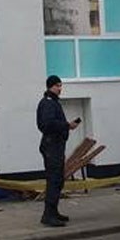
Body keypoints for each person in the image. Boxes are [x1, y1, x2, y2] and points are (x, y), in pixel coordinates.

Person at [37, 75, 80, 227]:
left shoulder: (53, 102)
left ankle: (53, 212)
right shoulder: (48, 103)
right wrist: (67, 125)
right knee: (54, 180)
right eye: (57, 86)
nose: (60, 89)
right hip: (52, 146)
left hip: (55, 146)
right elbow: (47, 124)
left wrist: (66, 126)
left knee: (58, 180)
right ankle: (48, 215)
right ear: (50, 86)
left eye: (61, 85)